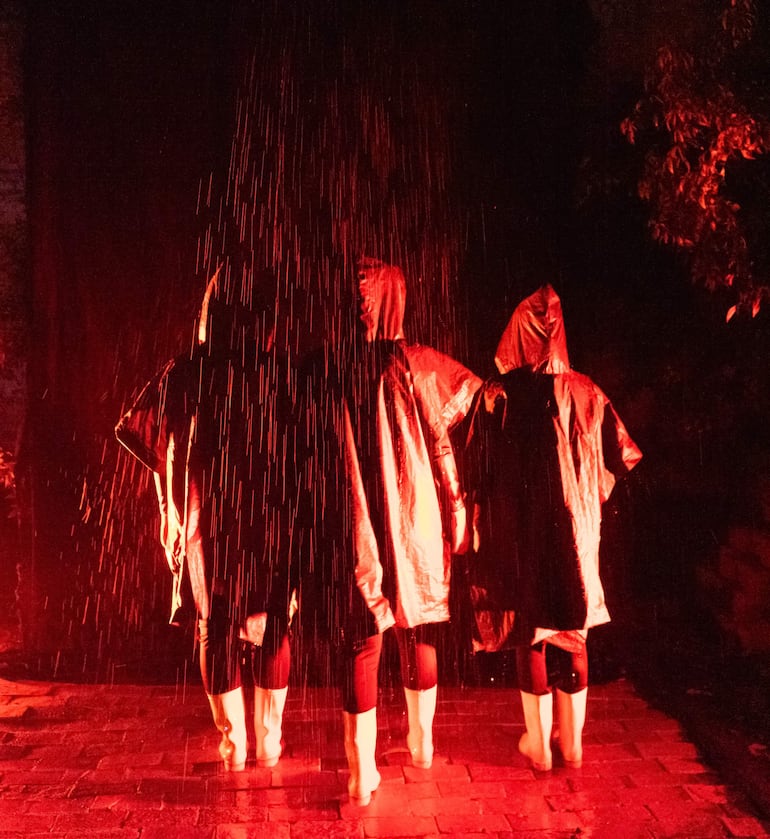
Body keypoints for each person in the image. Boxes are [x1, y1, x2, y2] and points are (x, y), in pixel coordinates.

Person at [302, 257, 481, 805]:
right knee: (417, 626)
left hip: (352, 514)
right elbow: (452, 432)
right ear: (397, 299)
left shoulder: (324, 365)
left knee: (362, 640)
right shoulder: (418, 364)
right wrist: (457, 507)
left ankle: (361, 774)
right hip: (412, 514)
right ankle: (421, 745)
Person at [115, 267, 299, 772]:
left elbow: (157, 452)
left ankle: (234, 747)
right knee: (271, 623)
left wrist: (168, 517)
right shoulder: (281, 371)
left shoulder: (185, 370)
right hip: (268, 518)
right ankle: (268, 743)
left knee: (214, 625)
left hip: (207, 522)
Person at [463, 284, 642, 771]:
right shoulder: (588, 390)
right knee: (574, 631)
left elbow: (476, 464)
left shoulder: (499, 393)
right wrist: (592, 492)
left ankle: (539, 744)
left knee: (534, 631)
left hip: (520, 529)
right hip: (577, 530)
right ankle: (574, 744)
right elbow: (621, 457)